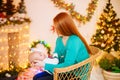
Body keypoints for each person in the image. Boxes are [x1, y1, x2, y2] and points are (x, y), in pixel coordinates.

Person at [33, 12, 92, 80]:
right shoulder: (59, 40)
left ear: (64, 27)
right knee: (36, 77)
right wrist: (44, 59)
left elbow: (67, 65)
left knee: (39, 79)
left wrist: (44, 65)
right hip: (65, 70)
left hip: (77, 74)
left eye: (57, 27)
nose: (55, 29)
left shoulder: (74, 41)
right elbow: (57, 57)